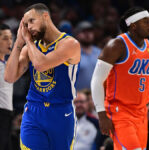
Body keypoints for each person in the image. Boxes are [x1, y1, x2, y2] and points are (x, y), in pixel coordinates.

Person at [4, 3, 80, 150]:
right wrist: (19, 43)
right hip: (33, 111)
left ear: (45, 17)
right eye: (25, 24)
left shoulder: (70, 44)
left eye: (32, 21)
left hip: (61, 112)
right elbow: (9, 77)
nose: (29, 28)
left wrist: (27, 42)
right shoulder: (30, 47)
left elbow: (41, 64)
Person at [91, 7, 149, 150]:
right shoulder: (116, 45)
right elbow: (96, 81)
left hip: (141, 113)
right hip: (119, 111)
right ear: (133, 25)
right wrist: (101, 114)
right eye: (146, 22)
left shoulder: (148, 46)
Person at [0, 24, 13, 150]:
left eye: (10, 38)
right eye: (5, 38)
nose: (9, 41)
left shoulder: (7, 64)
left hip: (7, 115)